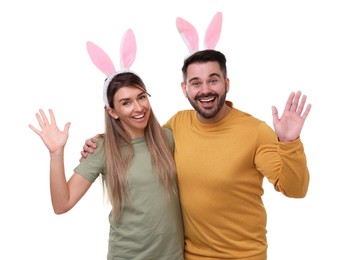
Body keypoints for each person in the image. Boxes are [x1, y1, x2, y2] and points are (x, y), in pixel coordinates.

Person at [81, 49, 311, 260]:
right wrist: (103, 141)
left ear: (227, 83)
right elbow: (140, 136)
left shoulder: (255, 132)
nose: (205, 90)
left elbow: (295, 190)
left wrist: (290, 143)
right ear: (185, 89)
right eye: (195, 83)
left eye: (213, 80)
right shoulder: (178, 125)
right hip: (188, 256)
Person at [29, 72, 184, 260]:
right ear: (112, 111)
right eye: (126, 102)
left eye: (141, 97)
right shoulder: (102, 148)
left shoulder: (168, 138)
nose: (138, 107)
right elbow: (62, 204)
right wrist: (56, 154)